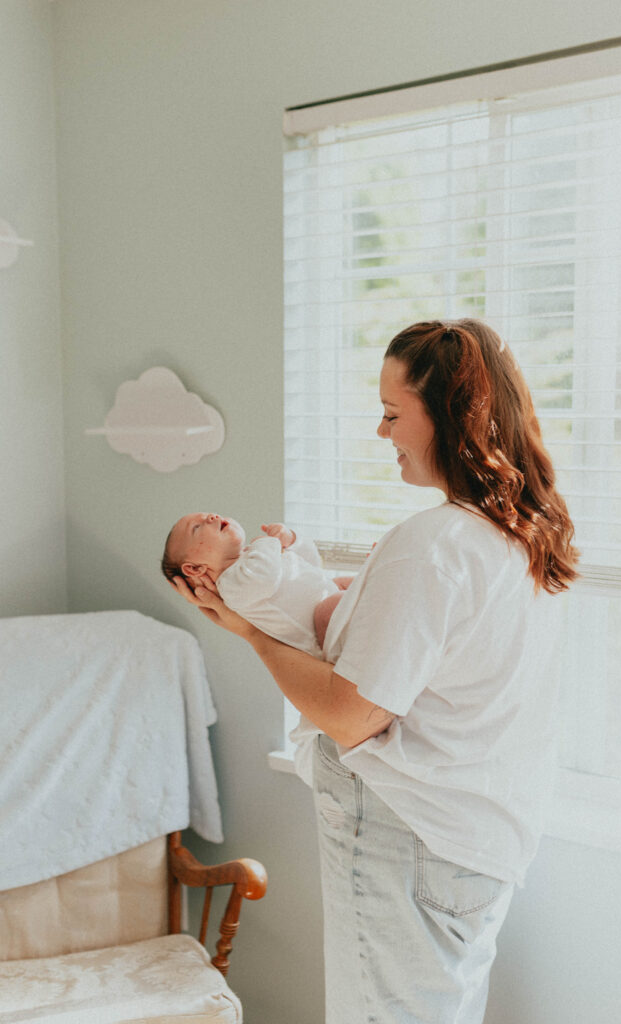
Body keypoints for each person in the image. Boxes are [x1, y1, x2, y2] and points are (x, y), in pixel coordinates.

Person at [170, 318, 579, 1024]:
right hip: (478, 832)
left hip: (407, 834)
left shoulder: (431, 544)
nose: (381, 432)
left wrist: (248, 634)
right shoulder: (518, 533)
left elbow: (353, 714)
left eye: (392, 414)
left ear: (450, 416)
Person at [161, 516, 349, 655]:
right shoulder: (231, 586)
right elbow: (264, 579)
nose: (211, 517)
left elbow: (311, 566)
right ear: (194, 568)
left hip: (332, 601)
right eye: (196, 528)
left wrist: (292, 540)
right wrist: (269, 542)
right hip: (323, 635)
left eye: (208, 514)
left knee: (344, 582)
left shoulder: (255, 557)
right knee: (330, 605)